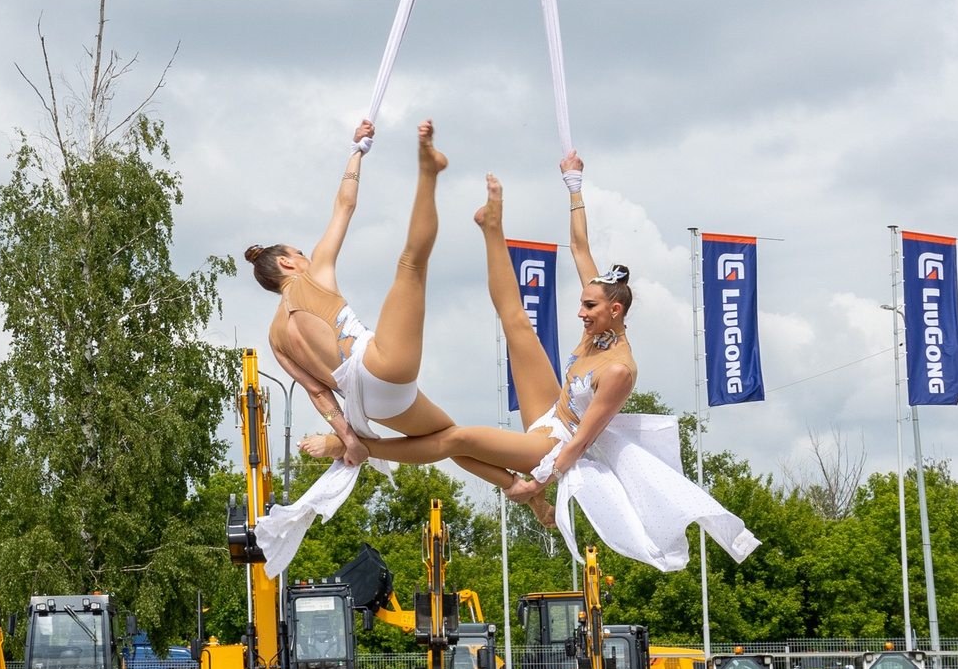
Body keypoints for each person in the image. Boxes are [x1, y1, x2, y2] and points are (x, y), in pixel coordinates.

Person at [300, 156, 758, 572]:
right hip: (553, 410)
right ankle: (491, 227)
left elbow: (581, 441)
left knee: (456, 438)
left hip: (558, 446)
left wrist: (537, 480)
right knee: (516, 320)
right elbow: (580, 248)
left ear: (615, 311)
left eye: (590, 308)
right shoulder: (598, 322)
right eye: (582, 304)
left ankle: (354, 447)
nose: (581, 313)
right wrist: (574, 185)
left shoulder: (619, 370)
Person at [245, 119, 460, 466]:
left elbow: (317, 391)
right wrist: (355, 152)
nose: (307, 256)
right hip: (374, 364)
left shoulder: (274, 337)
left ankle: (520, 487)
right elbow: (344, 207)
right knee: (412, 265)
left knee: (449, 439)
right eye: (299, 253)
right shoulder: (314, 276)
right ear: (286, 262)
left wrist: (348, 437)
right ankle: (429, 173)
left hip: (365, 404)